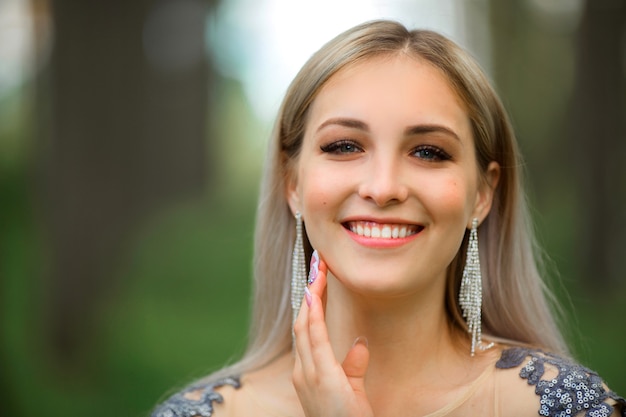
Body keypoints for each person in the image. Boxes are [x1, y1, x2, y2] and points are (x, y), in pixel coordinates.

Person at [151, 20, 625, 417]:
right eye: (344, 146)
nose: (382, 187)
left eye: (427, 151)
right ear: (291, 184)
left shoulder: (568, 406)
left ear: (482, 194)